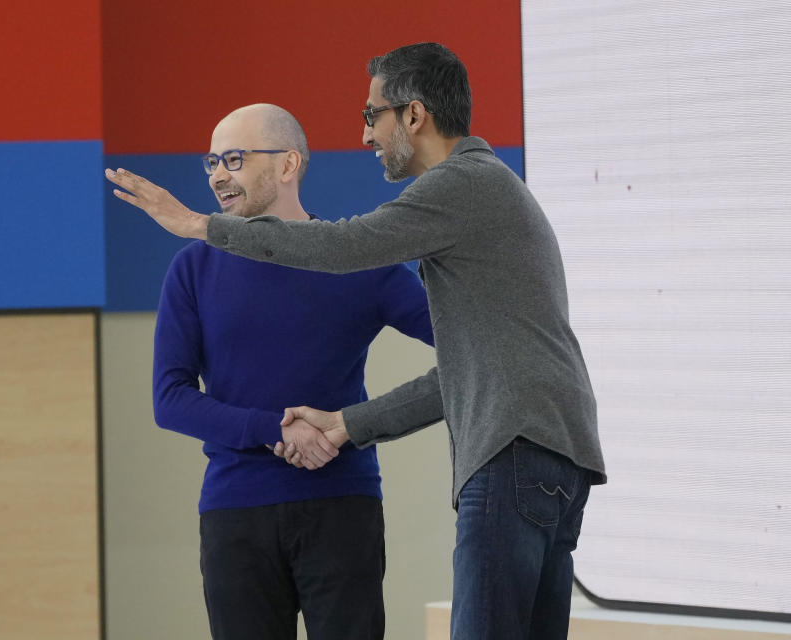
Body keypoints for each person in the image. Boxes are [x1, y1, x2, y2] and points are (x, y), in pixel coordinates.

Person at [106, 43, 606, 640]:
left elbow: (343, 249)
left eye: (373, 115)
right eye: (211, 161)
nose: (366, 133)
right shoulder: (481, 192)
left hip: (505, 453)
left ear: (413, 115)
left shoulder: (459, 187)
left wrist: (200, 226)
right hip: (537, 452)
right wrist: (345, 424)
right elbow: (470, 365)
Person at [149, 103, 434, 640]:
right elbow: (170, 399)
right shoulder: (192, 268)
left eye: (233, 159)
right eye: (210, 161)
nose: (215, 175)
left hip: (341, 506)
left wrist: (360, 420)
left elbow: (466, 340)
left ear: (287, 165)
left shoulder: (356, 258)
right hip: (235, 512)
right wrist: (274, 428)